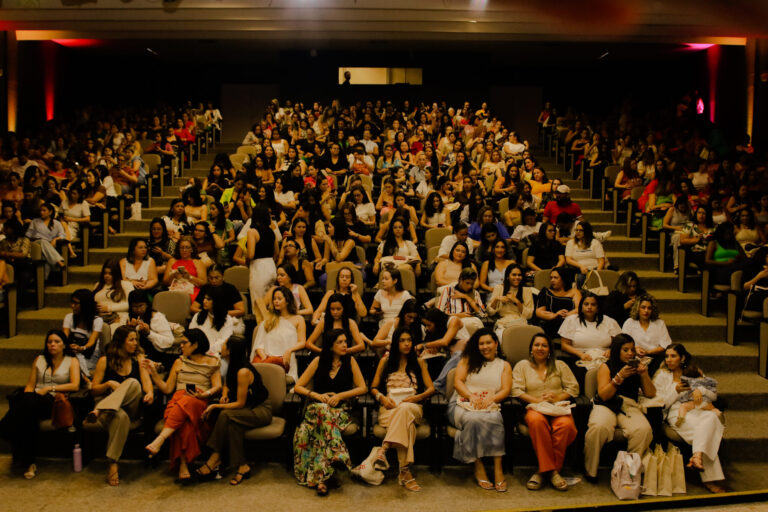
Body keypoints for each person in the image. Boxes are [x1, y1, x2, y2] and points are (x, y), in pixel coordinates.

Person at [293, 329, 368, 496]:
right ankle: (338, 455)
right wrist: (316, 395)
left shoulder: (350, 361)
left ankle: (321, 480)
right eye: (340, 342)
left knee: (320, 429)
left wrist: (340, 395)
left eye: (345, 342)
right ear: (330, 345)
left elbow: (363, 387)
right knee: (322, 410)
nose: (345, 345)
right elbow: (298, 386)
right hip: (316, 409)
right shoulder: (318, 361)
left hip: (341, 411)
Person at [0, 330, 80, 479]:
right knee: (28, 415)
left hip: (55, 401)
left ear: (64, 345)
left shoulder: (72, 360)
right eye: (50, 342)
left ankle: (4, 428)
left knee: (27, 408)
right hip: (34, 400)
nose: (52, 345)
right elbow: (30, 385)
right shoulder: (39, 359)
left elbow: (75, 385)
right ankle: (30, 463)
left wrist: (50, 388)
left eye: (57, 342)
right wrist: (29, 396)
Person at [144, 329, 222, 482]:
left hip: (199, 401)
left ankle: (160, 439)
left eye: (184, 343)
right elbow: (167, 389)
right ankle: (184, 464)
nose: (181, 346)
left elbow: (218, 386)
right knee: (183, 421)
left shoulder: (212, 361)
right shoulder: (179, 362)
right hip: (178, 402)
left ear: (195, 344)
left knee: (187, 400)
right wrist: (153, 373)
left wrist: (204, 395)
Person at [197, 336, 272, 486]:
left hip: (260, 410)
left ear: (229, 351)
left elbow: (239, 404)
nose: (222, 346)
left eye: (224, 344)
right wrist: (224, 395)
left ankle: (215, 457)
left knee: (225, 414)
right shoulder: (232, 364)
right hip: (245, 410)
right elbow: (227, 384)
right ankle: (242, 466)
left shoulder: (243, 371)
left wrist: (215, 406)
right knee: (233, 426)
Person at [652, 344, 726, 493]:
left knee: (712, 418)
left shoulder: (694, 372)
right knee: (706, 432)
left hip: (698, 408)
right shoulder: (661, 376)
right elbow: (660, 404)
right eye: (666, 356)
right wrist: (675, 391)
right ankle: (709, 480)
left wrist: (701, 389)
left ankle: (697, 456)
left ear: (683, 358)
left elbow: (713, 395)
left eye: (673, 356)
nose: (669, 360)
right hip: (677, 413)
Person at [85, 325, 154, 486]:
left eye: (135, 339)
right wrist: (108, 384)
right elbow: (94, 390)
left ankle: (99, 409)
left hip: (133, 409)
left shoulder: (139, 359)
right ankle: (113, 463)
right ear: (120, 342)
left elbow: (146, 384)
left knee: (132, 383)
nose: (135, 343)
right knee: (120, 416)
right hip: (112, 415)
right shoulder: (105, 361)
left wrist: (150, 393)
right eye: (131, 340)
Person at [447, 328, 512, 492]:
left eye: (488, 342)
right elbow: (458, 382)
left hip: (490, 403)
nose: (485, 346)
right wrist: (471, 396)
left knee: (496, 418)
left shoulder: (504, 365)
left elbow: (506, 389)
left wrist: (491, 400)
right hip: (462, 402)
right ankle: (478, 465)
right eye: (481, 343)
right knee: (472, 419)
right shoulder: (467, 359)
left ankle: (498, 468)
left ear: (496, 343)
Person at [370, 327, 435, 492]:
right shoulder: (385, 362)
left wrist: (417, 398)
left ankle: (384, 447)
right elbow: (373, 387)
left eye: (409, 340)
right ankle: (405, 472)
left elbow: (431, 389)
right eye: (402, 340)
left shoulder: (418, 362)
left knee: (405, 408)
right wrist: (382, 398)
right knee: (408, 426)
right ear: (395, 343)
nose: (407, 344)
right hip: (389, 409)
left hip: (413, 406)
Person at [512, 333, 579, 492]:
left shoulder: (560, 365)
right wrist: (536, 401)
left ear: (550, 349)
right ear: (531, 348)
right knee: (536, 421)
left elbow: (574, 388)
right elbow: (515, 390)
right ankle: (554, 473)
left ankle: (543, 471)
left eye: (544, 345)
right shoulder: (522, 365)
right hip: (535, 408)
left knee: (566, 425)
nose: (540, 348)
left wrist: (557, 397)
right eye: (537, 345)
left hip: (557, 407)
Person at [583, 333, 655, 481]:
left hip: (629, 405)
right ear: (617, 351)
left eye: (632, 350)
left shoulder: (637, 368)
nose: (630, 353)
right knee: (599, 427)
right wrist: (618, 378)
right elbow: (604, 395)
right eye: (625, 350)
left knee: (643, 430)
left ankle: (628, 472)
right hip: (606, 404)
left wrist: (644, 375)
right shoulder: (606, 366)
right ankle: (590, 470)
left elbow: (650, 393)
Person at [249, 286, 306, 382]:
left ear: (287, 301)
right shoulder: (268, 320)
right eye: (274, 299)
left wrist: (289, 351)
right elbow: (259, 345)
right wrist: (265, 359)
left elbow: (302, 342)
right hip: (266, 358)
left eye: (279, 299)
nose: (276, 301)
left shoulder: (299, 319)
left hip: (284, 360)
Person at [621, 294, 672, 374]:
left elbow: (664, 345)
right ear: (638, 308)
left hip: (655, 357)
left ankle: (695, 382)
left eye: (649, 308)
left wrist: (648, 352)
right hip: (634, 357)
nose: (646, 311)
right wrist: (635, 349)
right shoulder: (629, 323)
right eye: (643, 307)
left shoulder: (659, 323)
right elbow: (623, 343)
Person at [191, 264, 246, 336]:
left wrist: (219, 313)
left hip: (228, 319)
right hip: (209, 319)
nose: (213, 281)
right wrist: (208, 314)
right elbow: (193, 308)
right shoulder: (205, 288)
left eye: (217, 278)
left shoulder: (230, 288)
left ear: (223, 277)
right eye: (211, 278)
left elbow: (241, 310)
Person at [126, 289, 175, 369]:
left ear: (147, 304)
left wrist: (149, 333)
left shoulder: (157, 318)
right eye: (134, 307)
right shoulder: (128, 317)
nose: (138, 310)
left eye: (141, 306)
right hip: (133, 355)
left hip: (154, 355)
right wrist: (130, 329)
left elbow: (169, 342)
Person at [63, 288, 104, 378]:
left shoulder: (97, 320)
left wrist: (82, 348)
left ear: (85, 305)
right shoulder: (69, 317)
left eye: (76, 303)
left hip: (89, 353)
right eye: (72, 302)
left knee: (76, 362)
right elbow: (64, 337)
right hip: (72, 350)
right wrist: (69, 346)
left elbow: (92, 341)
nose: (72, 306)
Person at [487, 264, 534, 340]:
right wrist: (496, 299)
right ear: (508, 276)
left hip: (521, 323)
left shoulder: (527, 291)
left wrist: (517, 301)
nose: (517, 277)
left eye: (519, 275)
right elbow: (490, 312)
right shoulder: (499, 288)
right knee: (503, 338)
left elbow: (529, 315)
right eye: (514, 275)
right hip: (504, 323)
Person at [247, 203, 278, 312]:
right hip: (271, 266)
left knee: (258, 304)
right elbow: (276, 253)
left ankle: (261, 328)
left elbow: (251, 254)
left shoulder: (252, 232)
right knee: (271, 303)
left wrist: (246, 260)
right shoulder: (272, 232)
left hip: (259, 267)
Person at [188, 286, 236, 356]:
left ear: (217, 301)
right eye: (204, 298)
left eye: (208, 299)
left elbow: (225, 342)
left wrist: (210, 350)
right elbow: (191, 336)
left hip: (218, 355)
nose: (204, 301)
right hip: (198, 354)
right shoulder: (198, 316)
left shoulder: (227, 319)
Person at [535, 268, 581, 339]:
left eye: (555, 278)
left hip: (570, 322)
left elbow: (580, 309)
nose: (552, 280)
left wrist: (567, 314)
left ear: (563, 279)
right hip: (552, 324)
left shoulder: (574, 292)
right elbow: (539, 312)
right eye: (551, 278)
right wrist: (555, 315)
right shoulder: (546, 292)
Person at [24, 202, 66, 278]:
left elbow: (63, 235)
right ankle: (58, 261)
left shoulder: (56, 223)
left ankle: (43, 279)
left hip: (49, 246)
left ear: (50, 212)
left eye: (44, 210)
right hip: (36, 243)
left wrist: (55, 239)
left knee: (44, 255)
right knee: (43, 241)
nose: (41, 212)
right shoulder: (35, 221)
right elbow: (28, 235)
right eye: (40, 210)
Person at [93, 258, 134, 331]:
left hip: (118, 317)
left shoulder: (125, 285)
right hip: (98, 317)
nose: (107, 276)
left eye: (110, 274)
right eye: (105, 273)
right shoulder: (97, 285)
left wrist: (109, 308)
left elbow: (131, 304)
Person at [564, 221, 605, 287]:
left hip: (594, 269)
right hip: (578, 269)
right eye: (576, 230)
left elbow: (601, 261)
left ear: (586, 231)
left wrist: (597, 272)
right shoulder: (570, 243)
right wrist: (581, 266)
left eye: (581, 230)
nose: (578, 232)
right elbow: (568, 259)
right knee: (580, 277)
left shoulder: (595, 243)